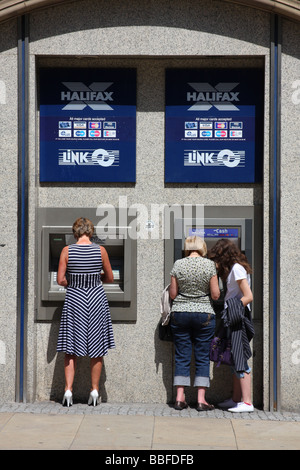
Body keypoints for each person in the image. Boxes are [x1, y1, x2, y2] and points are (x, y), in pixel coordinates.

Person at [56, 217, 115, 407]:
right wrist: (94, 280)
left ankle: (68, 390)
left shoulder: (67, 250)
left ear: (75, 232)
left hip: (75, 300)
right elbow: (110, 278)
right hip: (96, 300)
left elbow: (60, 279)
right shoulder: (101, 250)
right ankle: (95, 390)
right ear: (90, 232)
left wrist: (74, 282)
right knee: (96, 349)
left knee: (70, 348)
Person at [169, 235, 220, 411]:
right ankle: (200, 400)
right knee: (202, 357)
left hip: (180, 313)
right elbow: (215, 295)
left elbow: (173, 294)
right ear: (202, 247)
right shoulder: (209, 265)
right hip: (204, 313)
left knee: (181, 355)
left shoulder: (178, 264)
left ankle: (179, 398)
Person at [208, 238, 254, 413]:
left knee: (240, 356)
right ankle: (236, 399)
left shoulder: (237, 269)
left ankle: (247, 402)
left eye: (217, 259)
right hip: (235, 317)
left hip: (237, 318)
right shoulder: (235, 268)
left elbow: (248, 296)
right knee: (235, 357)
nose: (216, 263)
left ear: (224, 256)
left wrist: (231, 310)